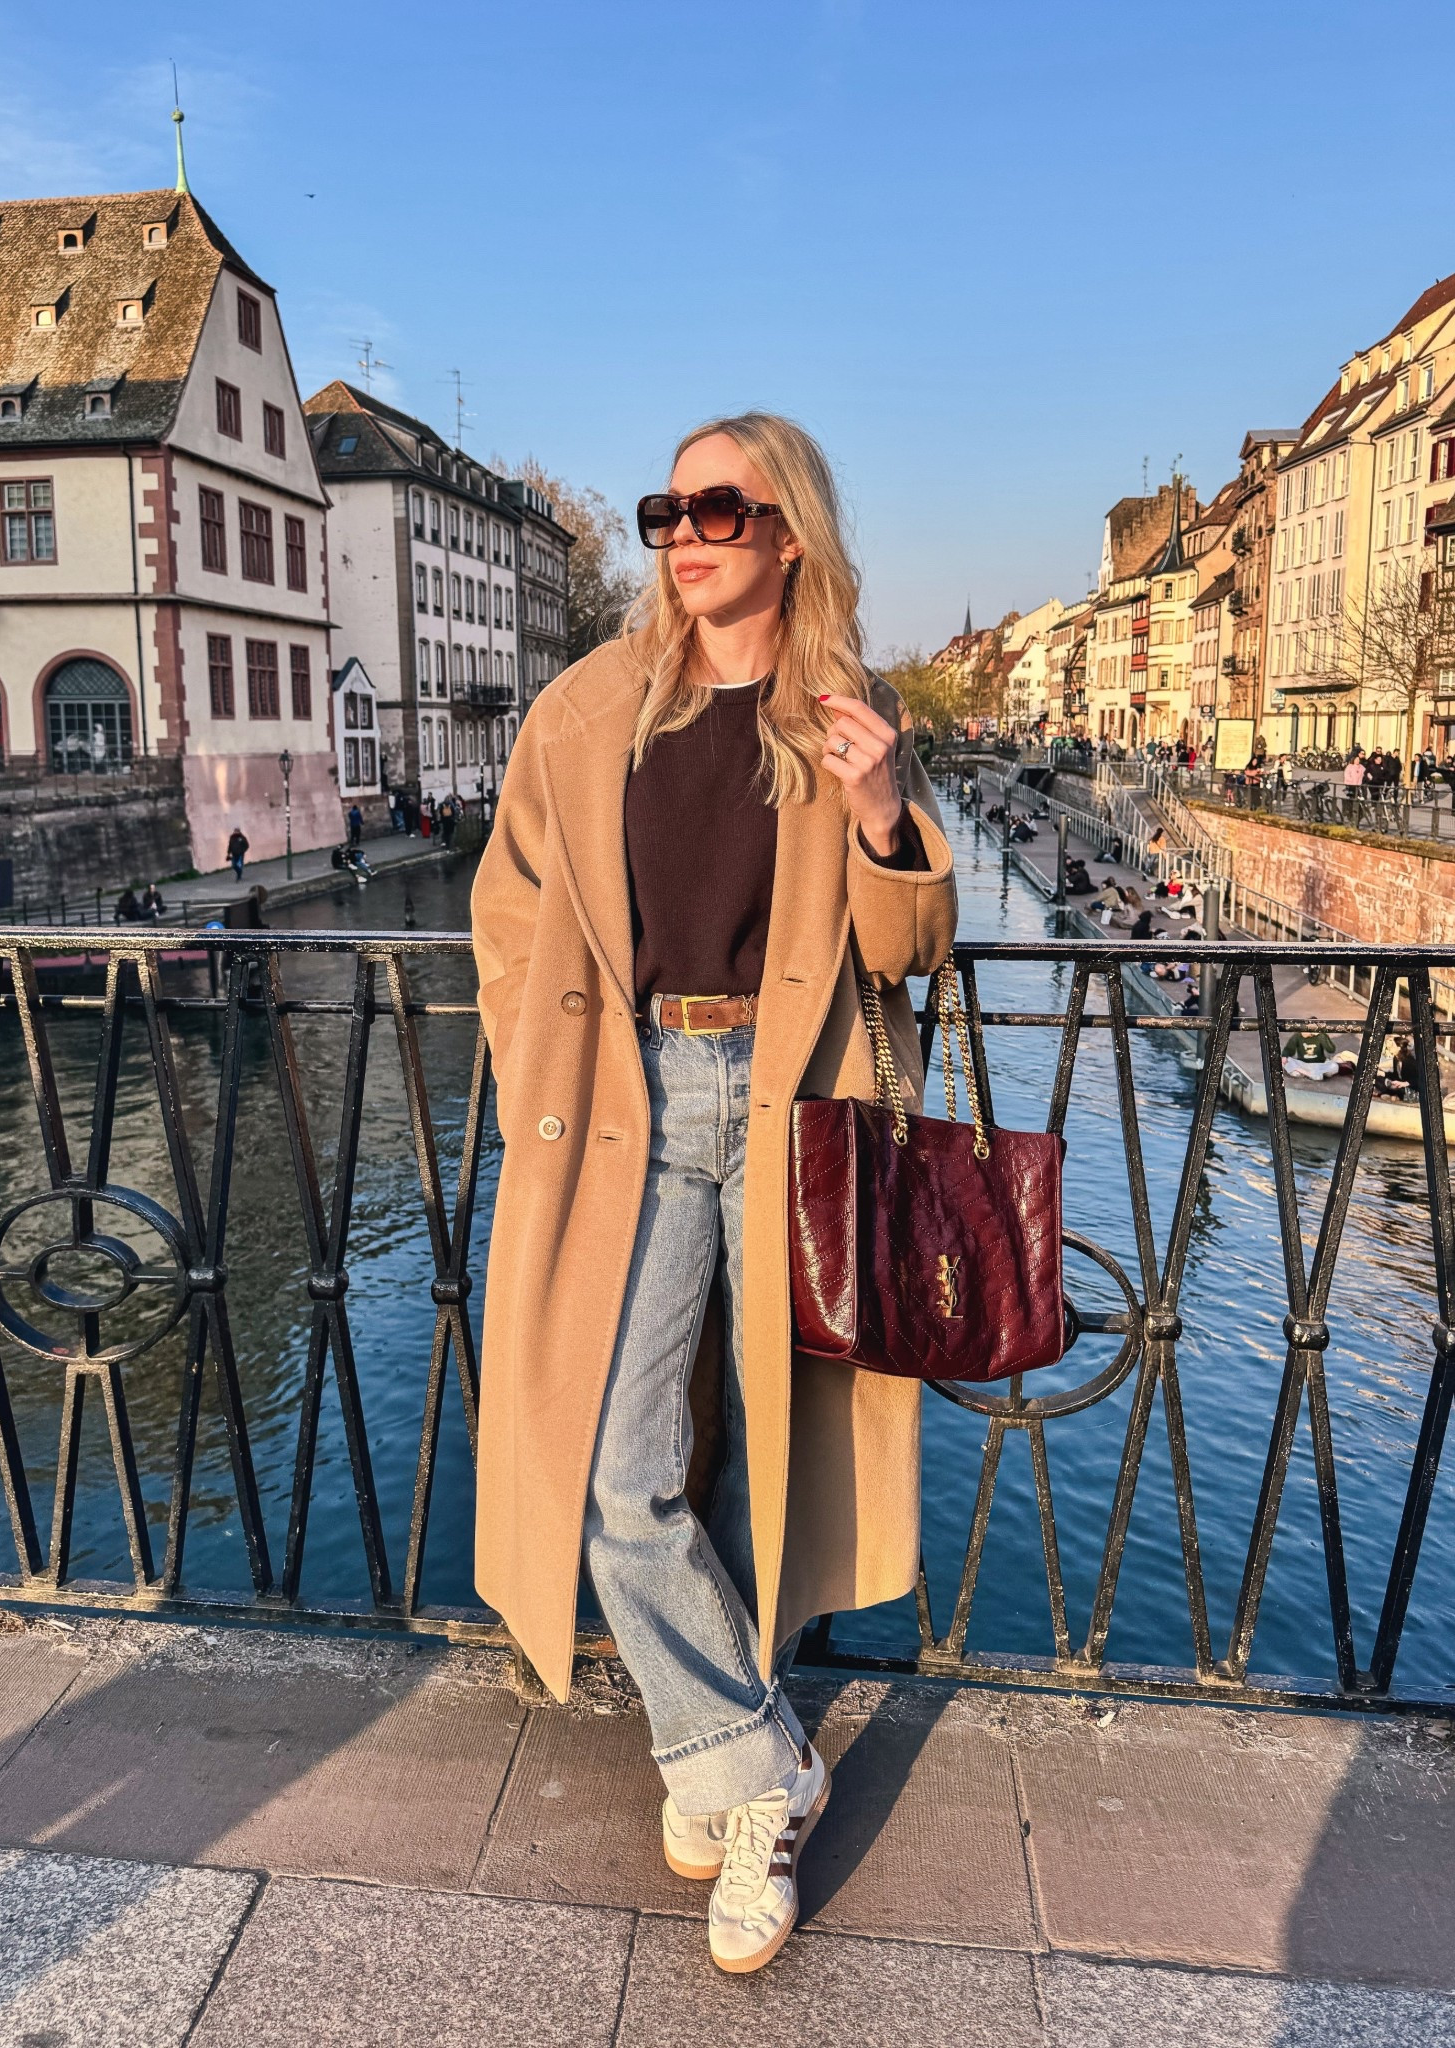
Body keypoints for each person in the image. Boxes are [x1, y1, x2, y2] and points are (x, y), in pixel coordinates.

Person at [470, 411, 957, 1975]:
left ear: (787, 534)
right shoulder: (591, 703)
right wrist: (530, 1055)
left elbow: (907, 955)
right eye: (665, 508)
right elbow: (509, 901)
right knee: (618, 1467)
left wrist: (886, 821)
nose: (683, 534)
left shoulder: (843, 713)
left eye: (718, 509)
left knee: (764, 1455)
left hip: (792, 1110)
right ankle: (758, 1768)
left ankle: (717, 1751)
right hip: (627, 1104)